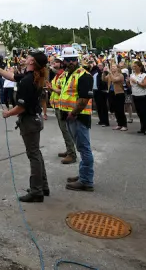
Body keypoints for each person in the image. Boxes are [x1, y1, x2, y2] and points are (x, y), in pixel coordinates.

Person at [0, 51, 50, 202]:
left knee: (33, 155)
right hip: (35, 119)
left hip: (29, 121)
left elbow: (21, 107)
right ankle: (42, 186)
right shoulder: (32, 77)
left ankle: (37, 191)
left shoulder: (27, 81)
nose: (26, 58)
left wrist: (8, 113)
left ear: (32, 62)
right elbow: (11, 76)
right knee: (36, 153)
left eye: (29, 57)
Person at [57, 48, 95, 192]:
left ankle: (86, 181)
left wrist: (73, 113)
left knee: (84, 149)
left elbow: (84, 99)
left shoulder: (84, 76)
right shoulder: (68, 74)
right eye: (67, 60)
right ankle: (83, 175)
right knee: (81, 147)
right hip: (70, 115)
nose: (70, 62)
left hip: (78, 116)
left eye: (73, 59)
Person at [128, 61, 146, 135]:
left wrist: (136, 81)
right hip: (135, 95)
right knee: (139, 113)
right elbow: (131, 85)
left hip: (143, 95)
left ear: (140, 67)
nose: (134, 68)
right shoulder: (132, 75)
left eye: (135, 66)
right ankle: (143, 127)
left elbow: (145, 85)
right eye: (133, 66)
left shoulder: (144, 75)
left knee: (144, 112)